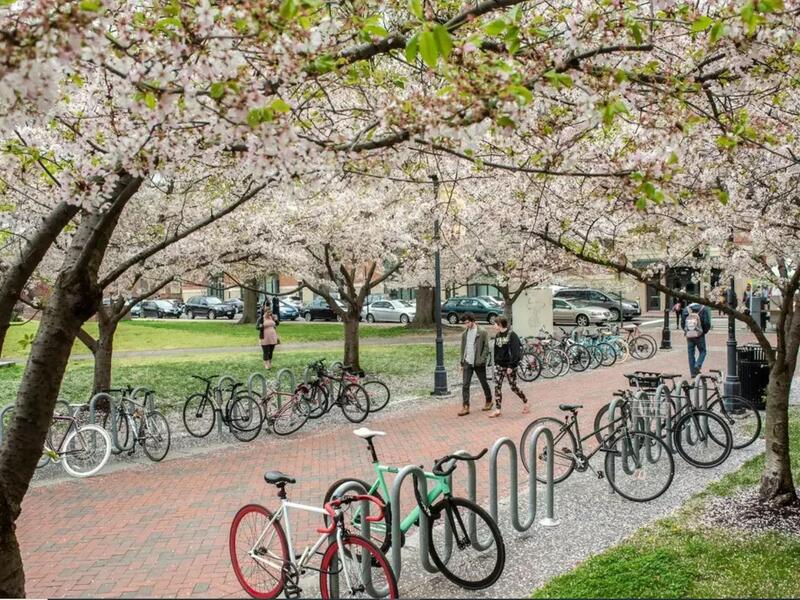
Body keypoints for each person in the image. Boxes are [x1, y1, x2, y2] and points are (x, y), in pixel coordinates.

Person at [489, 316, 529, 418]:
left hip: (509, 366)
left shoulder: (512, 335)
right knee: (497, 386)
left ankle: (525, 401)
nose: (494, 325)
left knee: (513, 387)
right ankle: (498, 410)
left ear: (500, 324)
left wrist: (511, 366)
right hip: (499, 365)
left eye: (495, 323)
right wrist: (496, 361)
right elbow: (496, 349)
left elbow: (515, 352)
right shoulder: (498, 335)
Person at [457, 313, 492, 417]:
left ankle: (489, 400)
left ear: (473, 321)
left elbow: (486, 347)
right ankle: (466, 406)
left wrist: (481, 359)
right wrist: (462, 362)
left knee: (483, 382)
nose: (466, 325)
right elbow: (463, 348)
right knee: (465, 384)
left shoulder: (482, 332)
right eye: (465, 323)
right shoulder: (464, 334)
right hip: (468, 361)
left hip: (478, 362)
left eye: (468, 322)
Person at [682, 302, 711, 377]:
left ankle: (693, 373)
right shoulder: (703, 309)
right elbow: (707, 323)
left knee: (691, 353)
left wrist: (687, 331)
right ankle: (698, 364)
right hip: (699, 335)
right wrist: (704, 332)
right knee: (703, 351)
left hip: (689, 335)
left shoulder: (686, 309)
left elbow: (682, 323)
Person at [258, 301, 279, 369]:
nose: (269, 313)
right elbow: (257, 327)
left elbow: (277, 324)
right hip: (264, 337)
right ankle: (266, 364)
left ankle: (269, 362)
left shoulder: (272, 317)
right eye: (268, 312)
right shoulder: (261, 319)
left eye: (270, 312)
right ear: (265, 312)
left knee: (271, 351)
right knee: (266, 351)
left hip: (272, 337)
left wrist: (276, 320)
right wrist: (261, 326)